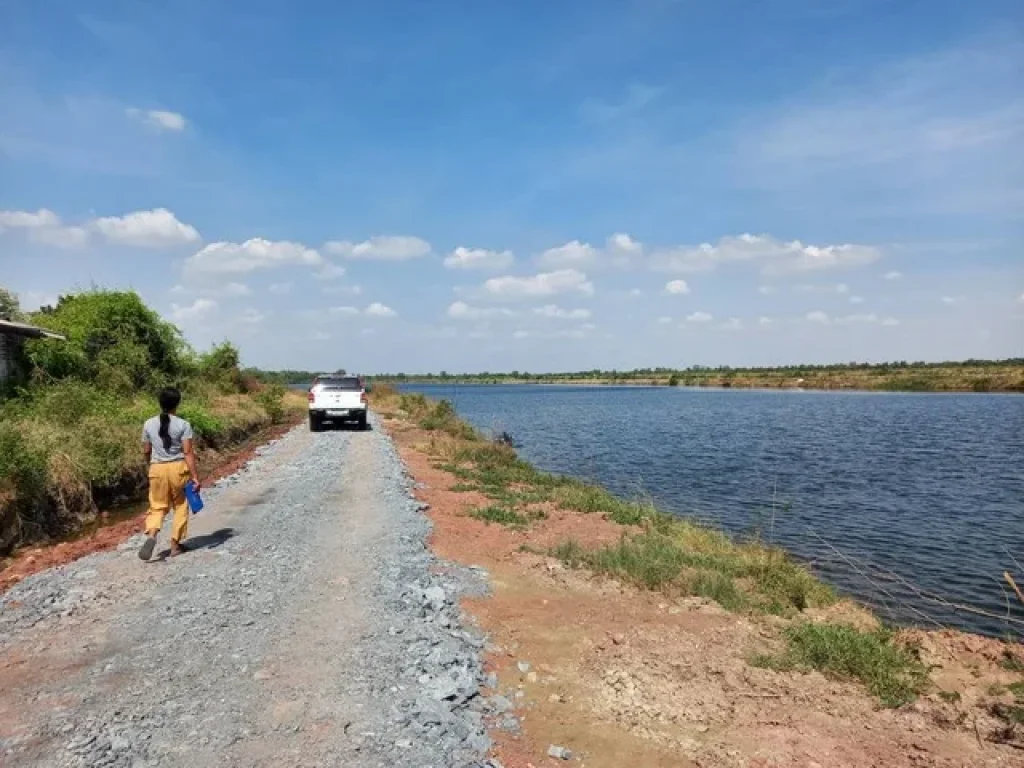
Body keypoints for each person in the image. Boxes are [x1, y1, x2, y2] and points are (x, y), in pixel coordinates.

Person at [138, 387, 201, 560]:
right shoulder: (183, 425)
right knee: (180, 506)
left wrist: (149, 465)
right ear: (177, 403)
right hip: (178, 468)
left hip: (156, 468)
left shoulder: (148, 424)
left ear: (160, 403)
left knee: (157, 506)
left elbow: (146, 449)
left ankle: (152, 535)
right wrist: (195, 476)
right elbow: (188, 452)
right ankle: (175, 545)